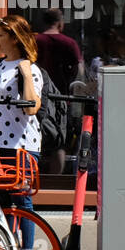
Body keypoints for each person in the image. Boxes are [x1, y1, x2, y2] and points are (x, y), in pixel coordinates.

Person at [0, 14, 43, 250]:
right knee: (2, 200)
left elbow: (32, 107)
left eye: (0, 35)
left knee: (22, 200)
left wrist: (26, 73)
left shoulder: (30, 69)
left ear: (15, 39)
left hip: (22, 144)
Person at [33, 9, 86, 173]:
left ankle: (33, 178)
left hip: (36, 95)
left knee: (34, 137)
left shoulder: (35, 40)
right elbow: (80, 71)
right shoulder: (68, 43)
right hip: (61, 98)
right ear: (60, 23)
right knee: (59, 141)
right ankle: (55, 180)